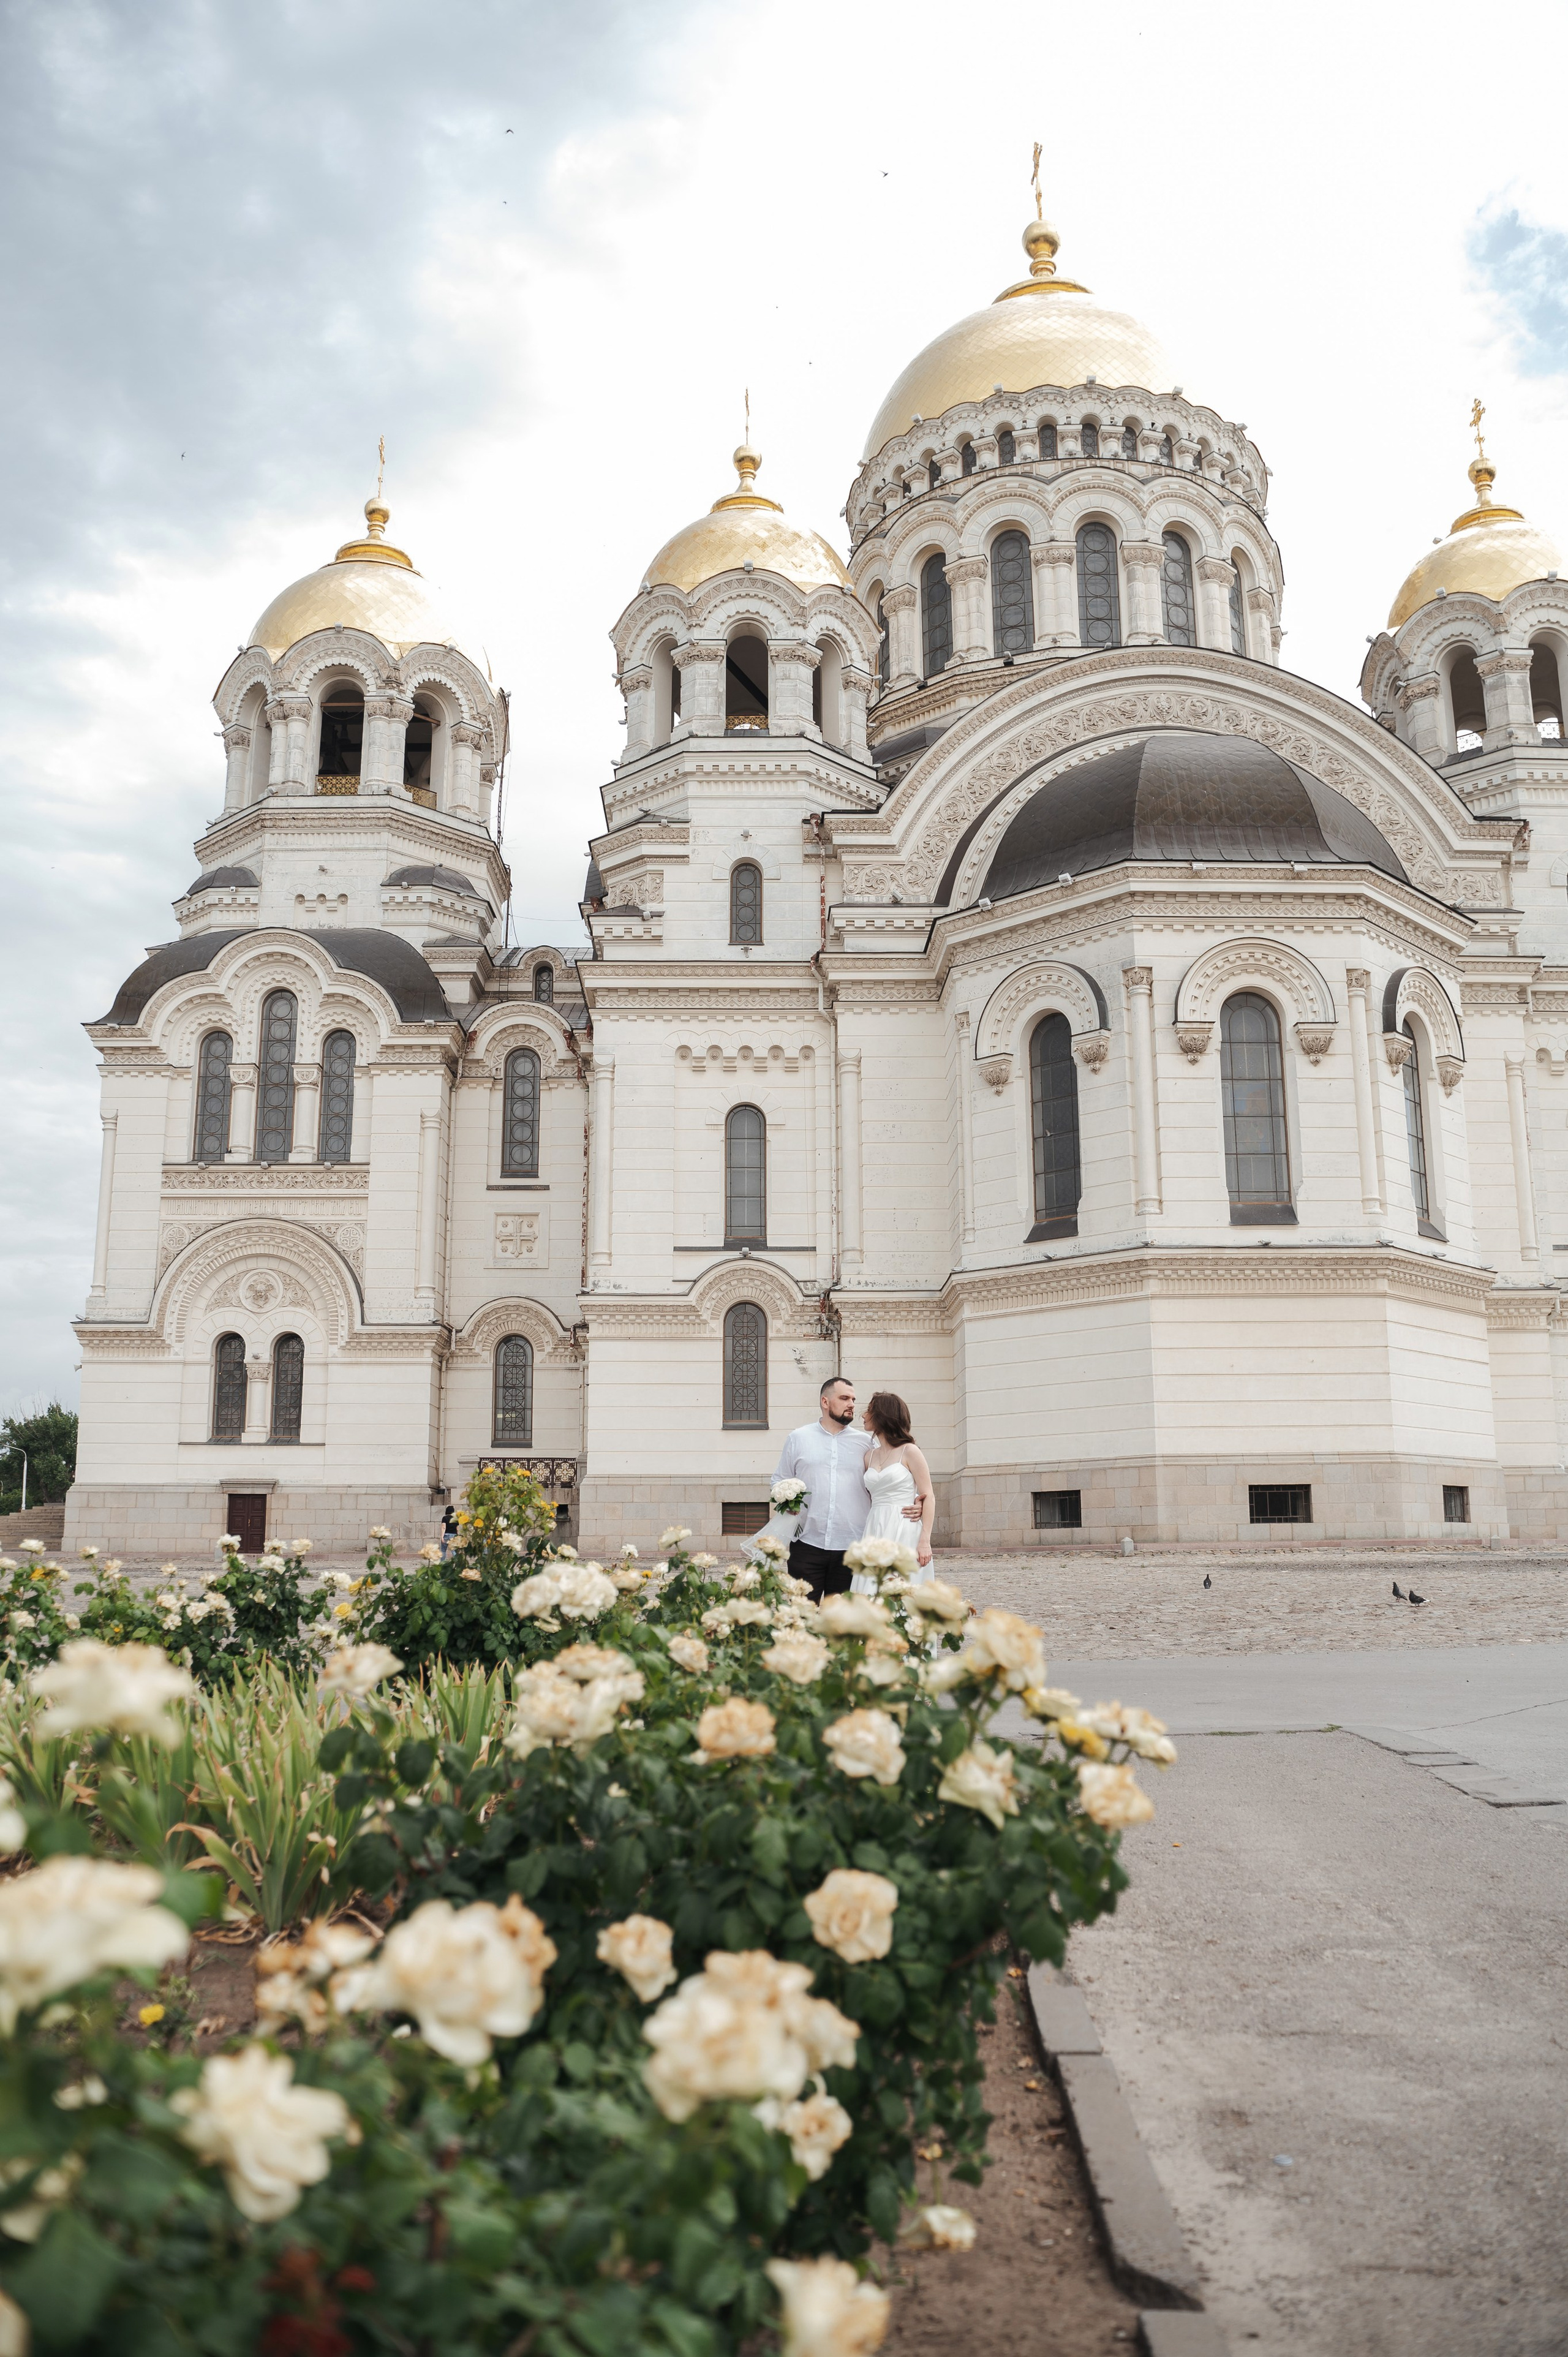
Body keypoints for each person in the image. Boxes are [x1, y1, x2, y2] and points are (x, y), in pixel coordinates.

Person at [851, 1391, 935, 1590]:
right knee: (871, 1589)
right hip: (875, 1527)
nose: (863, 1415)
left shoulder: (910, 1451)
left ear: (883, 1415)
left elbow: (929, 1495)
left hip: (903, 1527)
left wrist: (925, 1541)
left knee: (901, 1589)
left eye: (870, 1410)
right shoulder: (869, 1457)